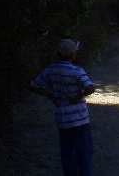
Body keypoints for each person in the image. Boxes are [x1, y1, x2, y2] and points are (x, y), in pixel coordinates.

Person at [30, 39, 95, 176]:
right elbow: (90, 87)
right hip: (80, 119)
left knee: (67, 151)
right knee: (84, 152)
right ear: (73, 55)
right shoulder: (77, 71)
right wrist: (77, 97)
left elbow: (33, 85)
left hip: (63, 118)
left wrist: (50, 95)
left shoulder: (50, 70)